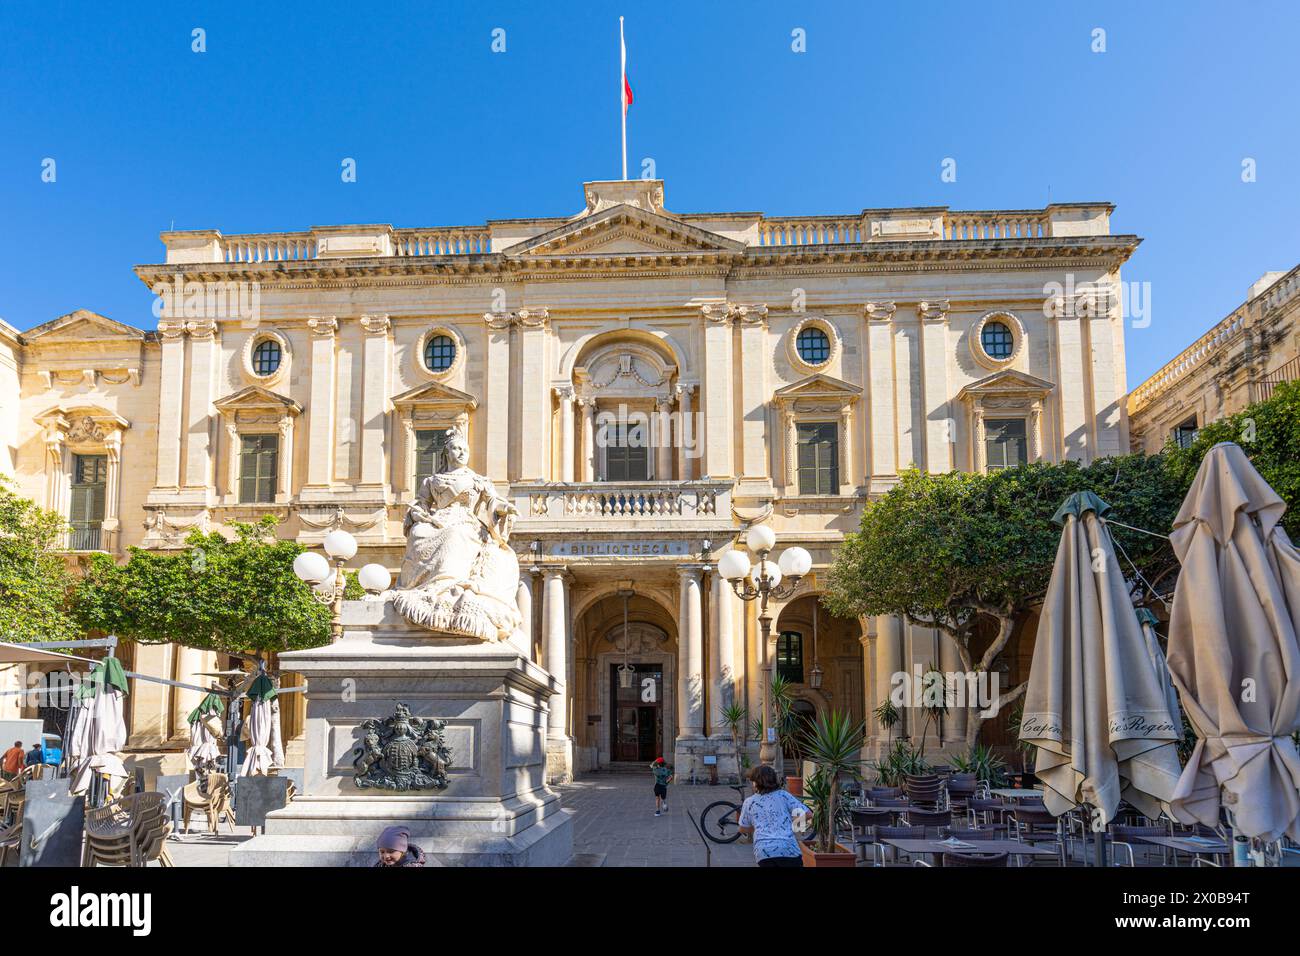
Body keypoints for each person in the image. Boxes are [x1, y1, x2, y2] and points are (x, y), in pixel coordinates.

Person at [737, 765, 811, 868]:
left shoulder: (749, 802)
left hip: (764, 851)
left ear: (755, 783)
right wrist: (791, 823)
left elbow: (742, 829)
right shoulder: (784, 795)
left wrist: (757, 826)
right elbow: (808, 814)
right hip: (788, 848)